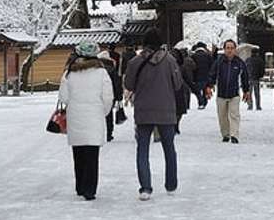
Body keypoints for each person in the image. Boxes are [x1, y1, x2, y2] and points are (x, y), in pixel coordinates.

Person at [123, 43, 187, 200]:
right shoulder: (171, 61)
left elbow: (128, 84)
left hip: (143, 110)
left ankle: (145, 187)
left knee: (142, 149)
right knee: (169, 149)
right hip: (166, 110)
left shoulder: (135, 62)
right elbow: (178, 84)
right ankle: (171, 184)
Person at [60, 42, 115, 200]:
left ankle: (80, 186)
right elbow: (107, 97)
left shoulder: (69, 73)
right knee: (92, 155)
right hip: (94, 116)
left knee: (78, 154)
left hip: (75, 116)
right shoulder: (101, 73)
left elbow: (63, 97)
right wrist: (102, 112)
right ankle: (90, 190)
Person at [207, 39, 249, 143]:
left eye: (232, 48)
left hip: (234, 94)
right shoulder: (219, 62)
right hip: (221, 94)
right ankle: (225, 134)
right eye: (227, 48)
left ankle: (234, 135)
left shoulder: (239, 63)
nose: (229, 50)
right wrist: (209, 86)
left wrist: (246, 91)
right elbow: (212, 74)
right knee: (222, 116)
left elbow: (245, 77)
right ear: (224, 49)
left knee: (234, 115)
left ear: (235, 50)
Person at [98, 49, 124, 141]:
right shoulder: (112, 69)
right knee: (109, 114)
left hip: (97, 94)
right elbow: (117, 83)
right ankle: (109, 133)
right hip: (110, 94)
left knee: (98, 115)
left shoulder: (96, 69)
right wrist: (119, 96)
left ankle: (99, 133)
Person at [190, 42, 215, 109]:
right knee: (205, 90)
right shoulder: (208, 55)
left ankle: (201, 102)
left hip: (197, 77)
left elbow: (192, 67)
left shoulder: (193, 56)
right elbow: (212, 66)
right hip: (206, 77)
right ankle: (204, 102)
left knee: (197, 91)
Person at [244, 45, 265, 110]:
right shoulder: (260, 60)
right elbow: (262, 69)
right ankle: (258, 106)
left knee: (249, 93)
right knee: (257, 93)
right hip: (256, 78)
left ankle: (250, 105)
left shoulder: (248, 60)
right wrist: (261, 75)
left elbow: (245, 69)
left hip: (249, 78)